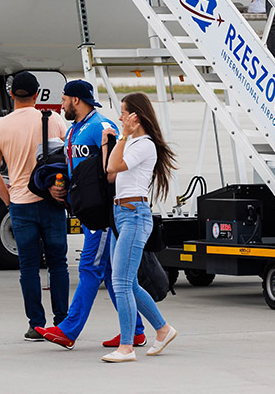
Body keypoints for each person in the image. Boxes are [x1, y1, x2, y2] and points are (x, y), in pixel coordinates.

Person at [36, 80, 144, 350]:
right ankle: (136, 330)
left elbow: (114, 166)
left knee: (89, 267)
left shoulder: (101, 126)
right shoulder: (74, 130)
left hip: (102, 213)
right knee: (108, 271)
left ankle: (68, 330)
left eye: (64, 99)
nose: (61, 104)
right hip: (85, 210)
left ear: (76, 100)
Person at [0, 71, 70, 340]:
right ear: (37, 95)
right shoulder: (53, 119)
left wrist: (9, 200)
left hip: (21, 204)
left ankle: (36, 324)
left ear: (11, 94)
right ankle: (62, 322)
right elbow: (68, 158)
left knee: (29, 267)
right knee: (58, 265)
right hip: (51, 202)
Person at [99, 92, 177, 362]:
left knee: (120, 283)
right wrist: (112, 142)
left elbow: (115, 165)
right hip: (121, 214)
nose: (120, 117)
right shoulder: (132, 142)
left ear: (135, 116)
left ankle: (127, 347)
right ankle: (163, 329)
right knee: (127, 282)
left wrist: (122, 136)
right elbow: (110, 173)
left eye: (123, 113)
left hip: (134, 215)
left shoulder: (144, 144)